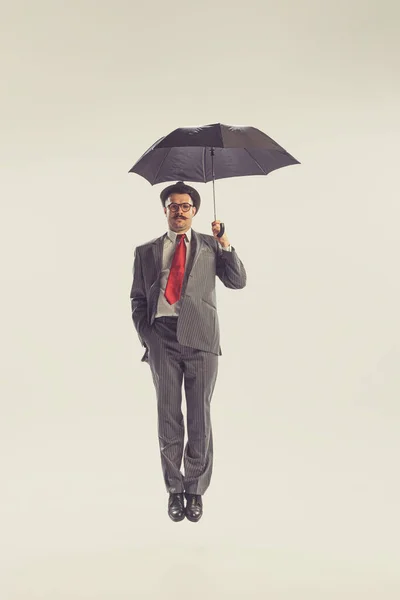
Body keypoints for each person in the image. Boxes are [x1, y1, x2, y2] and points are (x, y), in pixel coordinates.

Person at [130, 181, 246, 522]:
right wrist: (147, 336)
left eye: (185, 206)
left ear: (194, 210)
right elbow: (137, 298)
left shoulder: (211, 246)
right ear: (165, 209)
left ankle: (195, 490)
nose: (179, 211)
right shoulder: (146, 251)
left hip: (201, 341)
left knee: (199, 417)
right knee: (168, 416)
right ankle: (174, 489)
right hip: (162, 339)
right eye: (172, 205)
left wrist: (225, 242)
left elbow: (237, 281)